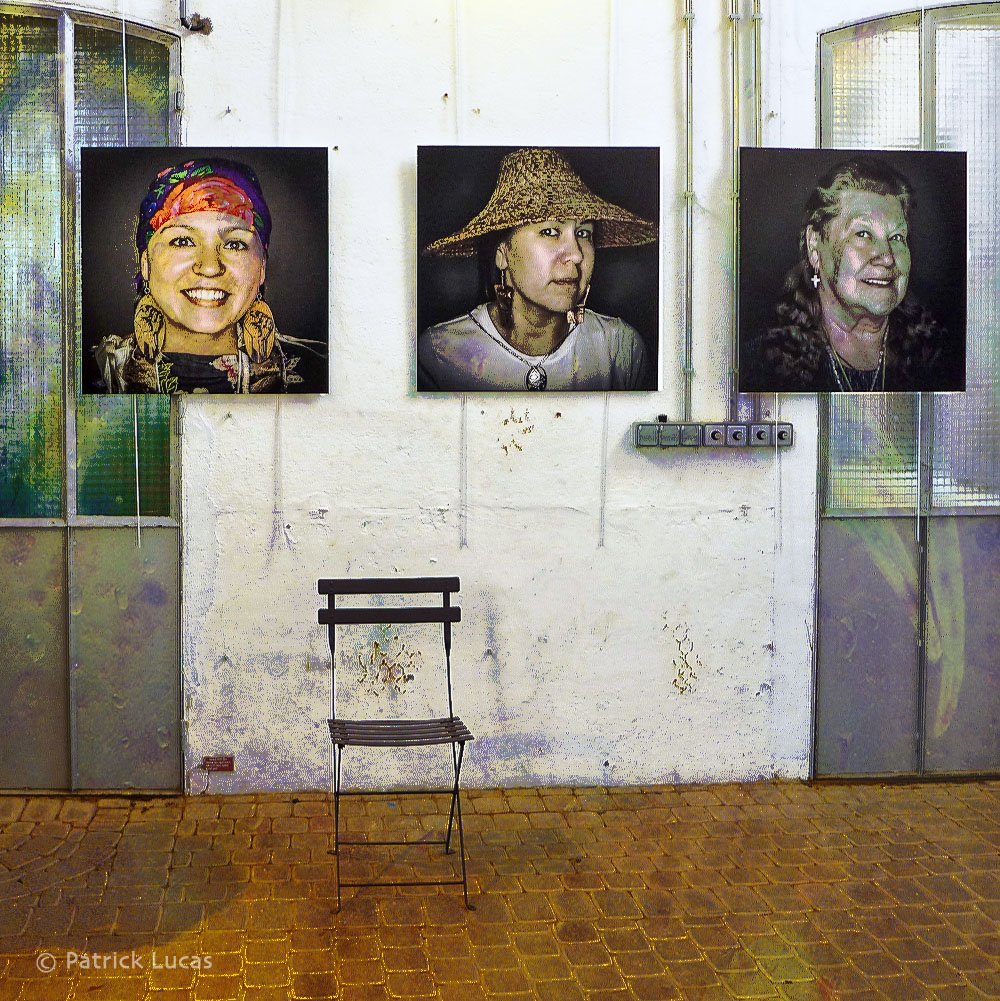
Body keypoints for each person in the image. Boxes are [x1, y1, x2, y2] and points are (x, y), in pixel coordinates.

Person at [418, 147, 657, 391]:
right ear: (503, 255)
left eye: (584, 233)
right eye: (550, 231)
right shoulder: (441, 355)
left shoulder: (619, 350)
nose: (576, 255)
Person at [741, 156, 957, 393]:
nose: (887, 257)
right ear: (815, 246)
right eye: (862, 234)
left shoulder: (941, 358)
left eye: (896, 237)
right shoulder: (763, 365)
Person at [95, 157, 299, 393]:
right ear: (146, 264)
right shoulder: (95, 372)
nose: (210, 267)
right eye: (183, 241)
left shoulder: (318, 367)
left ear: (262, 267)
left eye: (234, 244)